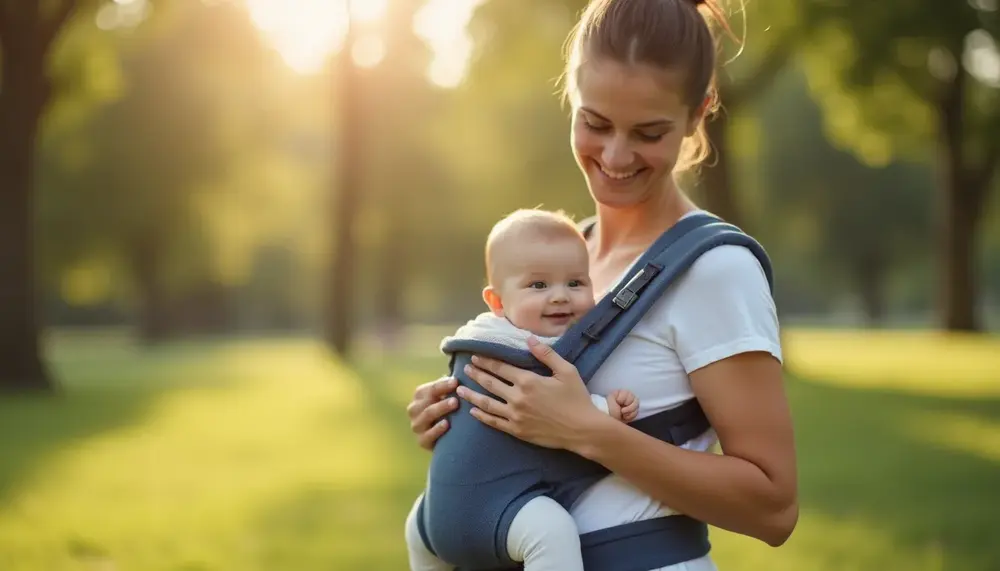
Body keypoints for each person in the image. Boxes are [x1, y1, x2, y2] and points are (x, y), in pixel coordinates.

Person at [405, 0, 799, 569]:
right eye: (595, 122)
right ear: (570, 95)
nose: (615, 156)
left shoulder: (714, 270)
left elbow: (774, 507)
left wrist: (589, 432)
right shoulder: (561, 261)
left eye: (648, 132)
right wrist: (459, 417)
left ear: (699, 113)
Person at [405, 208, 640, 571]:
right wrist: (606, 410)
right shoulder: (523, 348)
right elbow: (550, 401)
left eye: (576, 283)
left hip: (430, 518)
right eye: (539, 285)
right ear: (497, 302)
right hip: (499, 508)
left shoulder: (475, 338)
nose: (560, 297)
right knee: (553, 532)